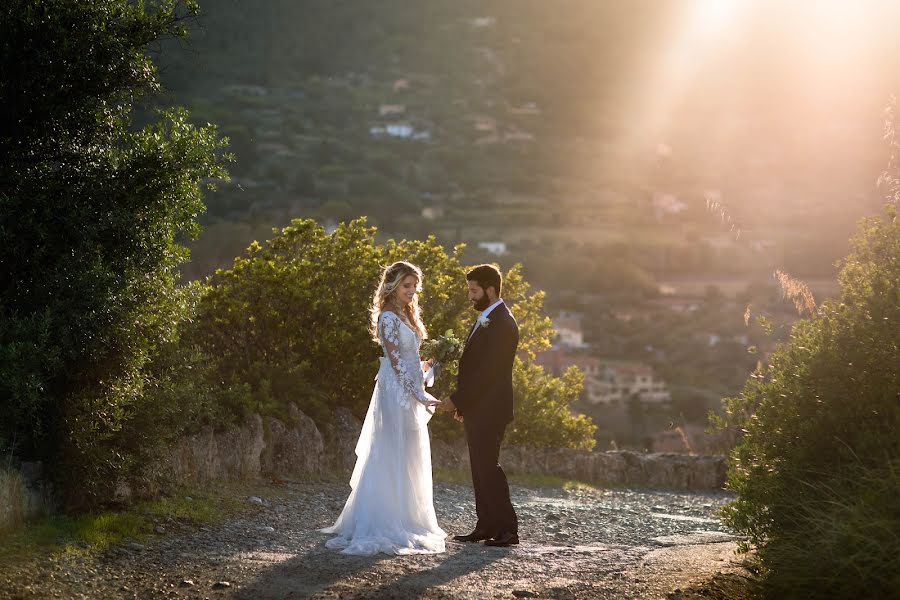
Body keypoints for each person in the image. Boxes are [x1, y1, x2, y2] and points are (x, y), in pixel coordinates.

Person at [320, 261, 446, 555]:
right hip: (394, 392)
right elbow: (395, 360)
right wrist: (419, 394)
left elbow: (410, 358)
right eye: (406, 286)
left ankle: (408, 515)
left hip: (409, 386)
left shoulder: (408, 314)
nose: (412, 292)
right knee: (391, 448)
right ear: (392, 286)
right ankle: (382, 518)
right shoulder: (388, 318)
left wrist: (430, 366)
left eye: (415, 286)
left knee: (410, 448)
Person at [441, 264, 520, 547]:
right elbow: (475, 369)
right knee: (479, 466)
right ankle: (486, 525)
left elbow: (490, 373)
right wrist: (467, 406)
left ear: (490, 289)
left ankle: (508, 530)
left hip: (491, 409)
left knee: (488, 467)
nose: (470, 296)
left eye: (474, 291)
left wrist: (457, 400)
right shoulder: (488, 317)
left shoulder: (503, 322)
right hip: (480, 408)